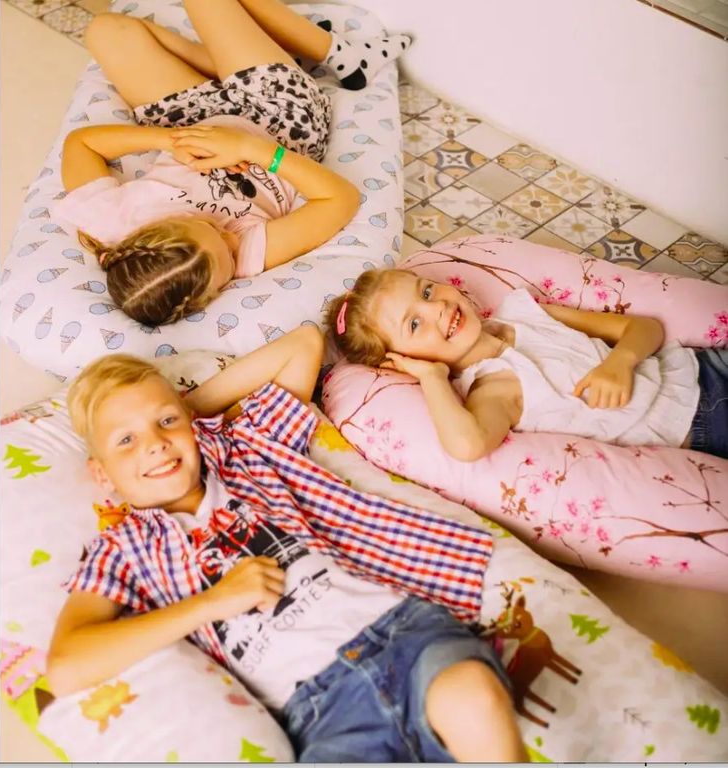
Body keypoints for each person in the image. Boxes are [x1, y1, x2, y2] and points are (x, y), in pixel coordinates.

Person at [46, 327, 527, 762]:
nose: (154, 443)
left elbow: (302, 344)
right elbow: (67, 666)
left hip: (401, 632)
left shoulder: (242, 452)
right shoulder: (124, 550)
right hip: (320, 707)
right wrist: (214, 602)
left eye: (165, 422)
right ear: (101, 475)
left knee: (473, 698)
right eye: (126, 440)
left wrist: (186, 413)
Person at [52, 0, 411, 325]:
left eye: (210, 226)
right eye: (229, 250)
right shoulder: (250, 253)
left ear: (153, 232)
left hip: (188, 119)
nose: (229, 233)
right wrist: (254, 150)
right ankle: (339, 55)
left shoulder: (112, 221)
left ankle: (268, 54)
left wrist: (168, 141)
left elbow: (82, 144)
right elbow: (340, 198)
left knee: (106, 30)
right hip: (280, 120)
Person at [325, 268, 728, 461]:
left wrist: (620, 361)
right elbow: (467, 446)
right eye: (414, 324)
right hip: (702, 423)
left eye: (427, 291)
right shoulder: (493, 389)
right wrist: (431, 377)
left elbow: (644, 328)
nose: (437, 308)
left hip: (698, 366)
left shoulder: (524, 311)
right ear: (403, 361)